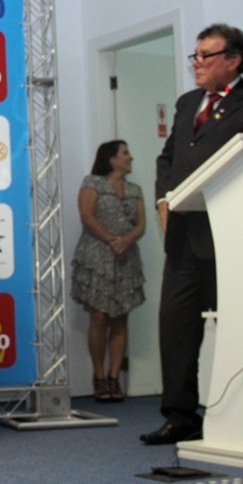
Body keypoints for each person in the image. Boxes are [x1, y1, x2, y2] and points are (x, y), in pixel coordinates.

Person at [142, 23, 243, 445]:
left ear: (234, 60)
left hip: (230, 237)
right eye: (195, 56)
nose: (197, 63)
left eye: (206, 56)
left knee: (239, 325)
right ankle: (180, 414)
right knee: (176, 325)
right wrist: (163, 199)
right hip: (183, 236)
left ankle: (241, 412)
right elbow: (167, 158)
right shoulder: (187, 103)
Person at [71, 140, 146, 402]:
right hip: (97, 257)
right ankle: (99, 376)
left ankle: (115, 378)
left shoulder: (135, 190)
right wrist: (112, 240)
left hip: (126, 259)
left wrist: (126, 240)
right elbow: (87, 215)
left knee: (120, 318)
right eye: (125, 153)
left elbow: (141, 225)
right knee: (99, 318)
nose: (130, 157)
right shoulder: (93, 183)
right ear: (111, 158)